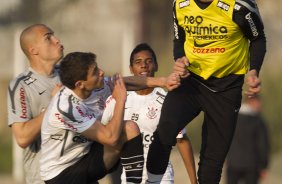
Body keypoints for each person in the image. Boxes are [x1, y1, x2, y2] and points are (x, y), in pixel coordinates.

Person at [146, 0, 266, 183]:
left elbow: (258, 39)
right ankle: (151, 181)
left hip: (227, 88)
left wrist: (254, 70)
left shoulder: (240, 6)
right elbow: (180, 39)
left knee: (213, 160)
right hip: (191, 81)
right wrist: (179, 59)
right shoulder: (180, 4)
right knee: (164, 132)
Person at [40, 51, 180, 184]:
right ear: (80, 84)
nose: (101, 72)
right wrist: (120, 101)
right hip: (61, 173)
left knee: (129, 128)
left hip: (86, 157)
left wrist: (163, 81)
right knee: (115, 134)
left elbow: (126, 83)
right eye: (95, 72)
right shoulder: (66, 107)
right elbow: (111, 139)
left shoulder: (94, 86)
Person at [101, 43, 197, 183]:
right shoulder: (118, 98)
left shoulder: (167, 100)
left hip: (161, 176)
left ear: (156, 66)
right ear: (131, 68)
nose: (144, 66)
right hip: (129, 175)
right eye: (138, 62)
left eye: (148, 61)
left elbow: (181, 139)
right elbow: (103, 133)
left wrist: (194, 181)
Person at [7, 24, 64, 184]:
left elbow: (111, 83)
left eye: (54, 35)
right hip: (43, 178)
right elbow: (23, 137)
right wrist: (54, 104)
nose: (56, 40)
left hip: (79, 174)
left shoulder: (69, 74)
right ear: (33, 50)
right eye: (48, 38)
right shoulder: (21, 85)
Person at [226, 95, 270, 184]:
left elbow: (224, 139)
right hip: (252, 165)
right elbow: (263, 145)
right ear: (253, 102)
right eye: (259, 103)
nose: (260, 106)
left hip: (233, 162)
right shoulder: (258, 121)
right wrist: (264, 166)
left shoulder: (232, 117)